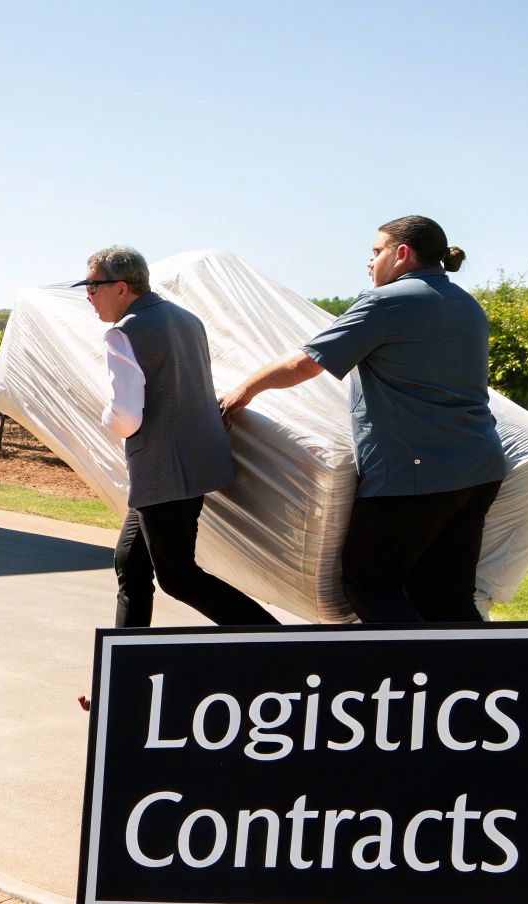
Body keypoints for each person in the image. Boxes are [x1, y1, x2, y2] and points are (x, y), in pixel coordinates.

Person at [218, 216, 506, 623]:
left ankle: (414, 678)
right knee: (445, 593)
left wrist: (244, 389)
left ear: (401, 253)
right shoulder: (466, 304)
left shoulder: (388, 302)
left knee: (369, 582)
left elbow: (306, 364)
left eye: (376, 252)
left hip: (416, 471)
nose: (369, 263)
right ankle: (476, 681)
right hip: (479, 468)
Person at [87, 245, 279, 629]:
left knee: (177, 577)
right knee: (131, 564)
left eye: (93, 286)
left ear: (121, 287)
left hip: (162, 471)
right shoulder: (186, 318)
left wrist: (104, 417)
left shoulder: (123, 334)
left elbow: (125, 417)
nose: (88, 296)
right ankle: (125, 668)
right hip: (199, 460)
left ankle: (271, 638)